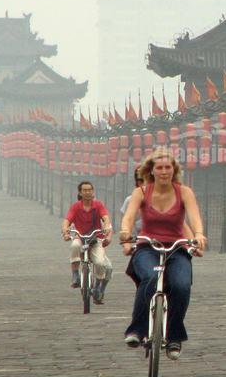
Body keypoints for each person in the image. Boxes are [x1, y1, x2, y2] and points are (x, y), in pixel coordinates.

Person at [119, 148, 207, 360]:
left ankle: (174, 336)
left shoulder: (184, 192)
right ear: (152, 170)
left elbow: (194, 218)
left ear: (174, 170)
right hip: (148, 246)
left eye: (168, 167)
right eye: (160, 168)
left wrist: (199, 235)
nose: (164, 171)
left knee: (181, 285)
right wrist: (125, 232)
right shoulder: (141, 193)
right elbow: (129, 217)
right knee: (149, 278)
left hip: (177, 247)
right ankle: (137, 330)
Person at [61, 181, 112, 304]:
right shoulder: (76, 207)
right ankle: (75, 274)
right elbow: (67, 221)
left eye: (89, 190)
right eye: (85, 190)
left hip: (95, 238)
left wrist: (105, 227)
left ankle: (98, 286)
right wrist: (66, 231)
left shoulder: (98, 205)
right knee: (74, 245)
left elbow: (105, 218)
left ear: (93, 191)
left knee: (100, 263)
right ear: (80, 192)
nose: (87, 192)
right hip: (81, 237)